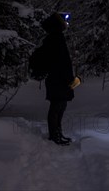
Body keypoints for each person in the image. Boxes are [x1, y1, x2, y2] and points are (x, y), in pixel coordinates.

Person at [40, 12, 78, 145]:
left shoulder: (54, 38)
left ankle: (57, 134)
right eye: (65, 22)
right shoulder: (56, 39)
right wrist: (69, 78)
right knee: (57, 107)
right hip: (58, 79)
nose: (67, 24)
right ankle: (55, 136)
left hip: (57, 79)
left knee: (59, 106)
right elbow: (61, 62)